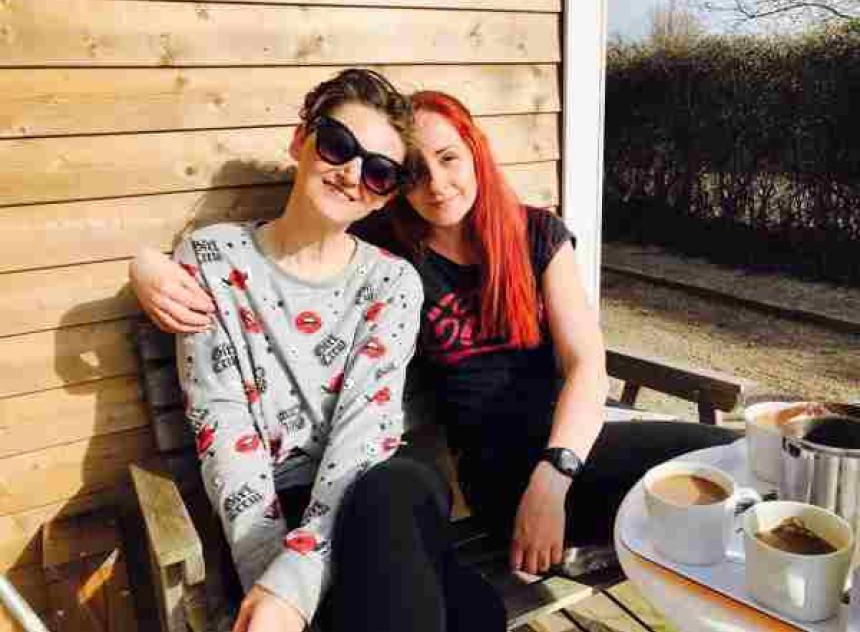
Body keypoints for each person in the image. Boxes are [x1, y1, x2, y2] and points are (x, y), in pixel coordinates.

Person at [131, 86, 737, 597]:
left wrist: (554, 477)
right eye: (414, 172)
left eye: (449, 159)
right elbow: (309, 234)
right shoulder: (392, 253)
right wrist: (149, 265)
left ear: (476, 153)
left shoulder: (536, 234)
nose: (437, 185)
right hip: (497, 475)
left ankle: (614, 548)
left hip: (568, 452)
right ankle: (608, 547)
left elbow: (587, 365)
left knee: (731, 457)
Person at [160, 69, 506, 632]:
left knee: (389, 493)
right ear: (301, 139)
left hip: (381, 481)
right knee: (471, 613)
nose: (351, 174)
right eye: (339, 145)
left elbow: (365, 434)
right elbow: (223, 427)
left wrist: (292, 584)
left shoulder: (391, 282)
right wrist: (271, 578)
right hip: (279, 510)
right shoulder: (213, 260)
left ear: (386, 196)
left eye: (379, 171)